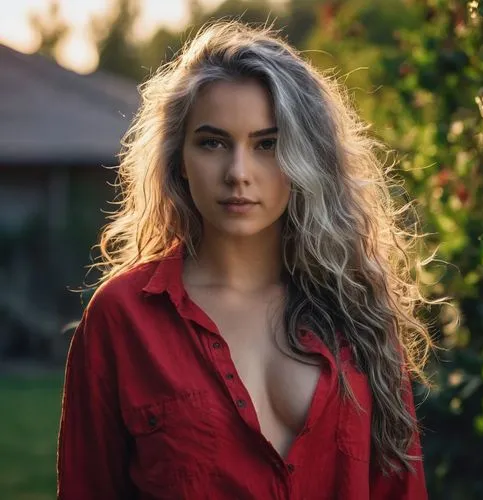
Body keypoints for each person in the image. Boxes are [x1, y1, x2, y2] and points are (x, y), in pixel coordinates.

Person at [57, 20, 438, 499]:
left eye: (267, 145)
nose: (238, 173)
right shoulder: (123, 317)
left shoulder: (357, 309)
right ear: (178, 159)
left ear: (306, 157)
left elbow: (401, 489)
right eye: (212, 143)